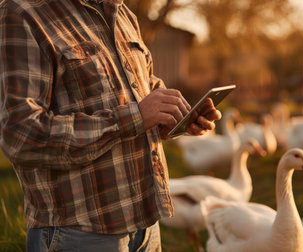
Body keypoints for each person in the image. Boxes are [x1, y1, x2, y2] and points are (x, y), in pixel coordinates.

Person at [0, 0, 221, 251]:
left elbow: (141, 91)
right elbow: (20, 135)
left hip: (147, 227)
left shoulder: (122, 12)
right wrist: (134, 117)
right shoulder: (24, 13)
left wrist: (177, 118)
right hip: (79, 233)